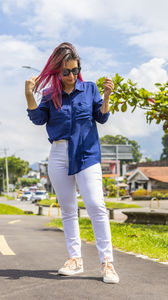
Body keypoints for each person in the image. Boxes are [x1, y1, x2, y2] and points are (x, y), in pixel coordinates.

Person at [25, 42, 119, 284]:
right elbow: (38, 119)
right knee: (67, 209)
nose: (70, 76)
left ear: (79, 69)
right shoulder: (49, 95)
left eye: (75, 70)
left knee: (96, 205)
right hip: (58, 154)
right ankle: (75, 259)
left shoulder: (90, 89)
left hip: (87, 153)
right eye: (65, 72)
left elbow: (101, 116)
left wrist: (107, 96)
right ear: (57, 72)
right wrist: (28, 94)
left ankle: (107, 263)